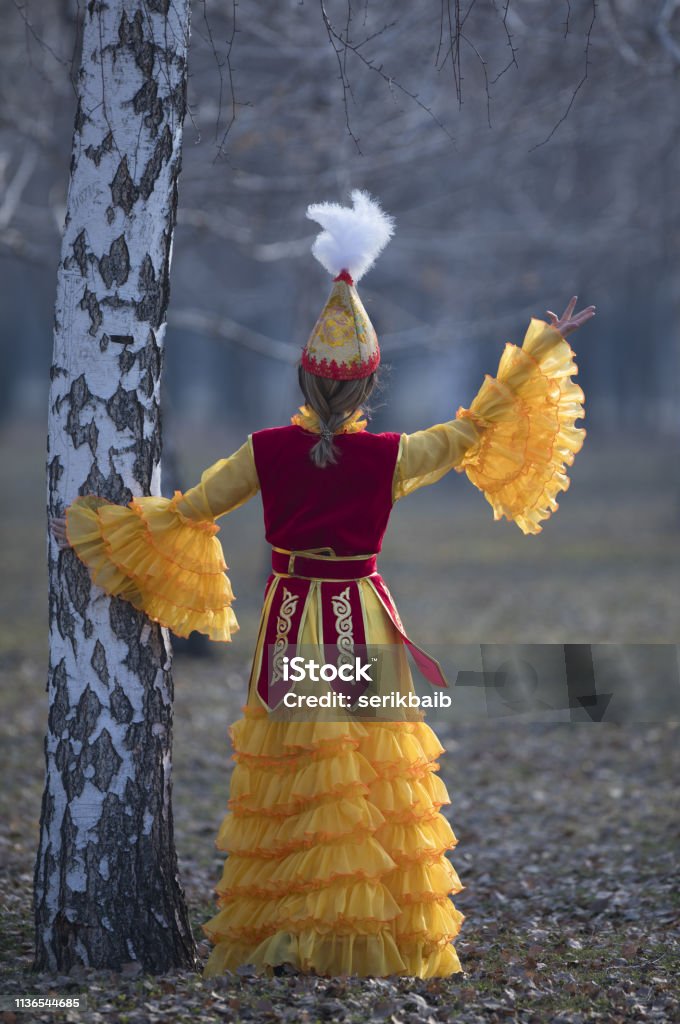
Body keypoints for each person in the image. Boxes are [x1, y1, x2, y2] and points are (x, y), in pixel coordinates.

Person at [50, 190, 595, 979]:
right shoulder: (390, 458)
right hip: (363, 621)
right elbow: (474, 431)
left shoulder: (266, 451)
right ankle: (365, 929)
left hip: (290, 619)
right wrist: (542, 347)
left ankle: (293, 928)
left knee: (300, 776)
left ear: (305, 383)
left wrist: (106, 525)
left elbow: (191, 509)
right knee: (366, 776)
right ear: (367, 387)